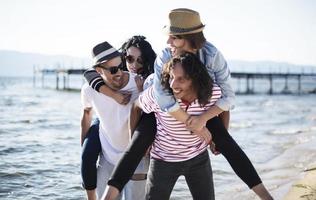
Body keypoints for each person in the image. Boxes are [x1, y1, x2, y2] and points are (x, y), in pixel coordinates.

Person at [85, 8, 273, 200]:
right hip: (159, 104)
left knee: (227, 142)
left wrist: (209, 127)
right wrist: (197, 126)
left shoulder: (211, 56)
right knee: (138, 144)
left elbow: (227, 98)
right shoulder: (165, 58)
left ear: (189, 38)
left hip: (196, 101)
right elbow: (162, 98)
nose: (168, 42)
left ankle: (266, 196)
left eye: (173, 37)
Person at [106, 52, 219, 200]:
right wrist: (135, 140)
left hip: (198, 157)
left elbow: (224, 107)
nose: (173, 84)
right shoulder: (158, 95)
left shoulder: (211, 93)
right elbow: (136, 107)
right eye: (171, 77)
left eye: (181, 79)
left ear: (195, 80)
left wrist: (217, 138)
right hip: (163, 160)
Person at [80, 41, 150, 200]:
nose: (119, 73)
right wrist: (84, 146)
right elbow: (86, 114)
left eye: (120, 66)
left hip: (137, 158)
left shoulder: (139, 83)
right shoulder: (90, 90)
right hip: (108, 157)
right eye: (113, 70)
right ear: (98, 71)